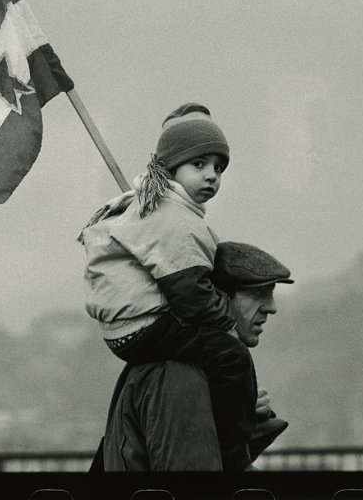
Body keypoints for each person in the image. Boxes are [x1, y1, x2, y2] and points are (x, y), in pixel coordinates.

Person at [79, 102, 262, 470]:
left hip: (126, 330)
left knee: (215, 355)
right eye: (199, 164)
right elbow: (192, 296)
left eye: (218, 167)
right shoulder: (173, 219)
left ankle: (235, 423)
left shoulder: (150, 208)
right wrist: (227, 314)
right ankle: (234, 451)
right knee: (232, 357)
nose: (212, 176)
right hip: (148, 326)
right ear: (170, 169)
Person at [94, 241, 294, 471]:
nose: (272, 307)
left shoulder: (185, 363)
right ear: (217, 298)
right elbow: (196, 486)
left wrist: (243, 412)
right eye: (258, 294)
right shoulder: (179, 374)